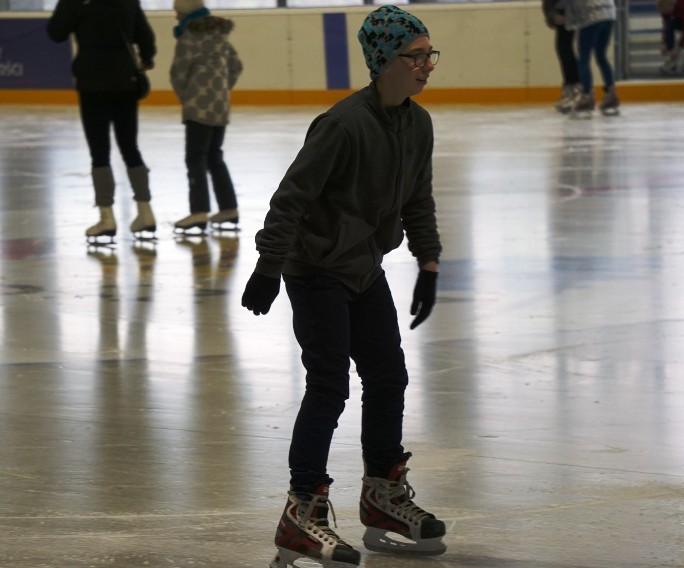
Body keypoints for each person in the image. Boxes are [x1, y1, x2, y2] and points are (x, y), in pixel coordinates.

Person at [240, 5, 446, 567]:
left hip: (361, 267)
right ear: (385, 61)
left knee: (388, 375)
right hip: (316, 272)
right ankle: (301, 512)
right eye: (416, 55)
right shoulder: (342, 125)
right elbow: (291, 199)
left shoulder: (416, 123)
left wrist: (428, 262)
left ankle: (381, 494)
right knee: (329, 386)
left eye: (431, 54)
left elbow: (417, 198)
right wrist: (268, 267)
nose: (427, 65)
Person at [47, 0, 158, 243]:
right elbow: (146, 36)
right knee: (130, 147)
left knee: (99, 152)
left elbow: (55, 32)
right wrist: (146, 57)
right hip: (125, 79)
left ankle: (106, 217)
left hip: (92, 81)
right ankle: (145, 211)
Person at [170, 0, 243, 234]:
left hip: (197, 107)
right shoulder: (219, 36)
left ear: (186, 13)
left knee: (195, 158)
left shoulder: (188, 37)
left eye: (177, 12)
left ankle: (199, 211)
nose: (176, 17)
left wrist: (187, 96)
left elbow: (178, 73)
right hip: (220, 106)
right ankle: (229, 207)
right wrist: (221, 90)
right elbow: (236, 66)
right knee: (214, 156)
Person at [565, 0, 620, 117]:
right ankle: (611, 93)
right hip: (609, 13)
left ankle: (587, 96)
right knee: (601, 55)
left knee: (584, 58)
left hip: (590, 15)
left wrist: (568, 25)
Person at [543, 0, 581, 113]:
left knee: (565, 50)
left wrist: (556, 14)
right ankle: (571, 87)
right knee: (564, 49)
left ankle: (574, 87)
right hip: (564, 10)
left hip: (567, 10)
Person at [657, 0, 684, 76]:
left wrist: (678, 47)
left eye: (666, 11)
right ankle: (672, 58)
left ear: (673, 5)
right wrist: (664, 43)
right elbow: (666, 24)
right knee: (670, 25)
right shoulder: (665, 7)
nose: (665, 13)